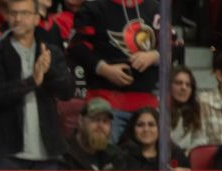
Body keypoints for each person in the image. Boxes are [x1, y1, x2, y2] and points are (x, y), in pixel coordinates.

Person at [0, 0, 75, 170]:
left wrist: (49, 71)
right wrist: (32, 81)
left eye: (25, 13)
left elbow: (67, 91)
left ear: (36, 19)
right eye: (13, 13)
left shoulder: (50, 51)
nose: (18, 18)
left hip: (48, 152)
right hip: (7, 153)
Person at [68, 0, 161, 142]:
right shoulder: (93, 8)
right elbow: (76, 46)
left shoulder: (156, 8)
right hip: (105, 104)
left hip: (146, 108)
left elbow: (175, 46)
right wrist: (103, 69)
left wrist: (154, 56)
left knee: (146, 162)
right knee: (106, 159)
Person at [60, 97, 126, 171]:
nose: (100, 126)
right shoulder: (64, 154)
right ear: (80, 120)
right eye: (95, 119)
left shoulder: (115, 156)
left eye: (105, 121)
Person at [118, 107, 189, 171]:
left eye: (151, 125)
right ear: (132, 129)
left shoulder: (174, 153)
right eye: (140, 125)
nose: (146, 129)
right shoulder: (121, 155)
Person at [169, 65, 207, 154]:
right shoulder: (158, 109)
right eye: (178, 83)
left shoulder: (196, 109)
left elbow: (200, 139)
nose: (183, 88)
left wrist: (188, 153)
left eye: (188, 85)